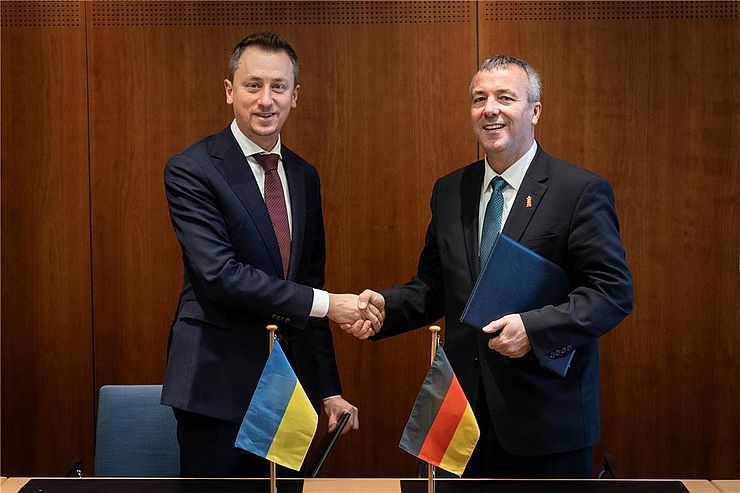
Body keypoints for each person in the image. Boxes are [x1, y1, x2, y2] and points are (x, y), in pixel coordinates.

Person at [342, 55, 633, 478]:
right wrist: (387, 307)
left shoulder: (578, 190)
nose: (489, 109)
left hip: (546, 421)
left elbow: (611, 293)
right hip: (461, 418)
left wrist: (533, 329)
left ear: (534, 111)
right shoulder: (450, 190)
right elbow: (436, 285)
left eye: (505, 98)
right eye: (479, 99)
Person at [161, 32, 380, 478]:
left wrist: (328, 389)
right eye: (253, 85)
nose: (266, 100)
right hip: (215, 388)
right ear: (230, 91)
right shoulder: (191, 169)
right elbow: (220, 275)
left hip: (287, 395)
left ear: (294, 96)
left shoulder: (303, 175)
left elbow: (308, 284)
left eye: (278, 87)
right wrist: (330, 304)